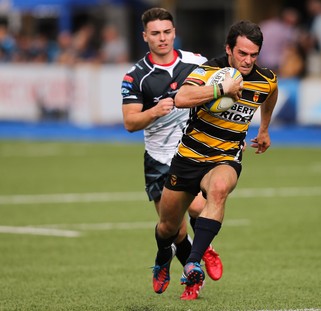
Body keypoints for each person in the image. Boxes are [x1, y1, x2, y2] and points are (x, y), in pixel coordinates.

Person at [152, 20, 278, 299]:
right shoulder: (209, 71)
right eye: (242, 53)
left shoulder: (265, 78)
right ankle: (163, 256)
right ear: (229, 49)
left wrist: (265, 128)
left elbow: (270, 93)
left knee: (219, 191)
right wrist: (222, 90)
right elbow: (182, 98)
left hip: (226, 156)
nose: (248, 61)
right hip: (190, 156)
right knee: (168, 227)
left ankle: (193, 263)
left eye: (253, 55)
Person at [120, 8, 223, 300]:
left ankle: (204, 252)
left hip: (191, 153)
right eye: (155, 33)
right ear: (145, 37)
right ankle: (174, 264)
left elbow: (220, 85)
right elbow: (130, 122)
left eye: (166, 32)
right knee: (172, 228)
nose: (162, 38)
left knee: (197, 208)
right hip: (157, 159)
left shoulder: (197, 62)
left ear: (174, 32)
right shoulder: (136, 76)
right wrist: (155, 110)